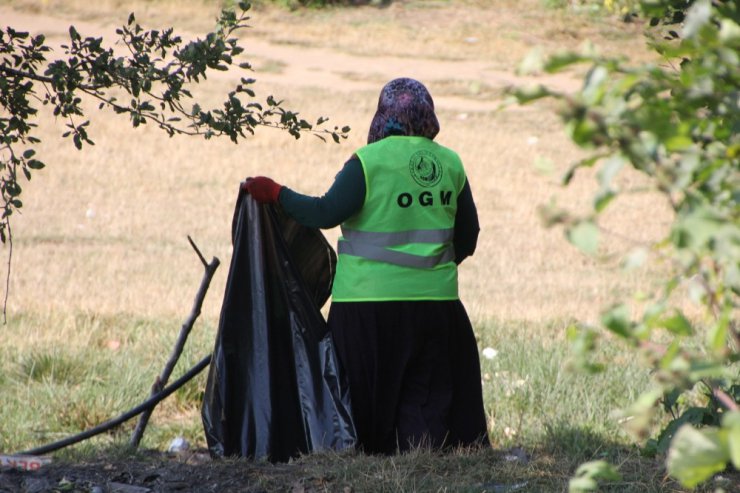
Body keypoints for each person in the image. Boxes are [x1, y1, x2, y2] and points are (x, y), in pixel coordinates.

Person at [243, 78, 488, 454]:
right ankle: (422, 463)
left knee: (364, 394)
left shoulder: (368, 162)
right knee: (424, 396)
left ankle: (369, 460)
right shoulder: (450, 163)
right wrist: (430, 269)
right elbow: (468, 236)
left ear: (382, 116)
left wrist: (277, 193)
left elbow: (325, 212)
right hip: (437, 306)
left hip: (366, 308)